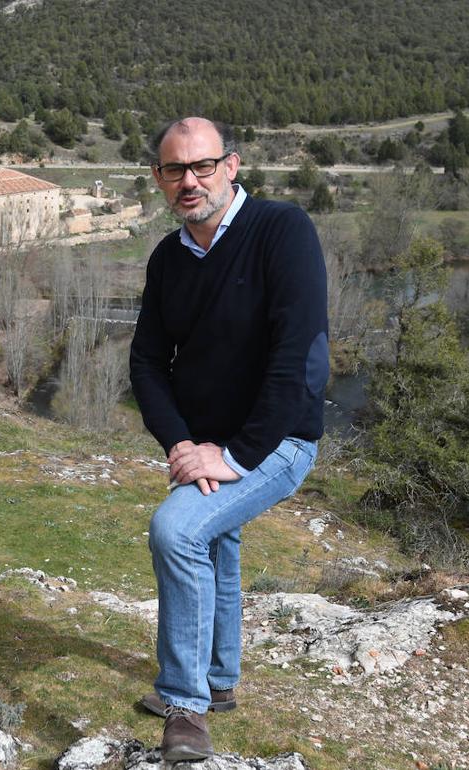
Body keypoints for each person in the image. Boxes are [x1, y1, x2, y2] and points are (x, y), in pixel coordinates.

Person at [129, 117, 328, 760]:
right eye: (174, 170)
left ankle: (184, 706)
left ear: (231, 166)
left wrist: (236, 455)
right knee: (213, 539)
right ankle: (217, 681)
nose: (189, 181)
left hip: (279, 441)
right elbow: (147, 363)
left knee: (178, 530)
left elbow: (299, 358)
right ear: (159, 178)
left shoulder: (281, 230)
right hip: (204, 444)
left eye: (202, 166)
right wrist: (180, 444)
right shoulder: (168, 259)